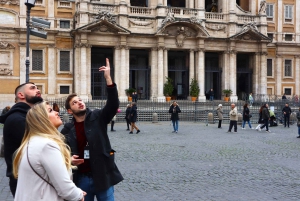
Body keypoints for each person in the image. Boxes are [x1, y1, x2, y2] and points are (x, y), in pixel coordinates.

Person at [61, 58, 123, 201]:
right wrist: (68, 159)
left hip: (103, 176)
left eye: (80, 100)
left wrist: (108, 79)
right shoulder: (67, 129)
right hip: (81, 179)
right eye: (75, 103)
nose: (80, 103)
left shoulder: (98, 117)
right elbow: (59, 151)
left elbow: (113, 105)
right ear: (70, 111)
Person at [13, 101, 85, 201]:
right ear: (41, 119)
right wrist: (78, 195)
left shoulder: (34, 141)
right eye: (50, 110)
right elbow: (65, 189)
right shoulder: (47, 145)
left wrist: (66, 161)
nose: (56, 112)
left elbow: (42, 167)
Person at [0, 82, 42, 197]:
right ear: (21, 95)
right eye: (33, 88)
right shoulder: (18, 119)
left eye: (38, 88)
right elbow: (39, 147)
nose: (38, 90)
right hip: (25, 180)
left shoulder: (25, 116)